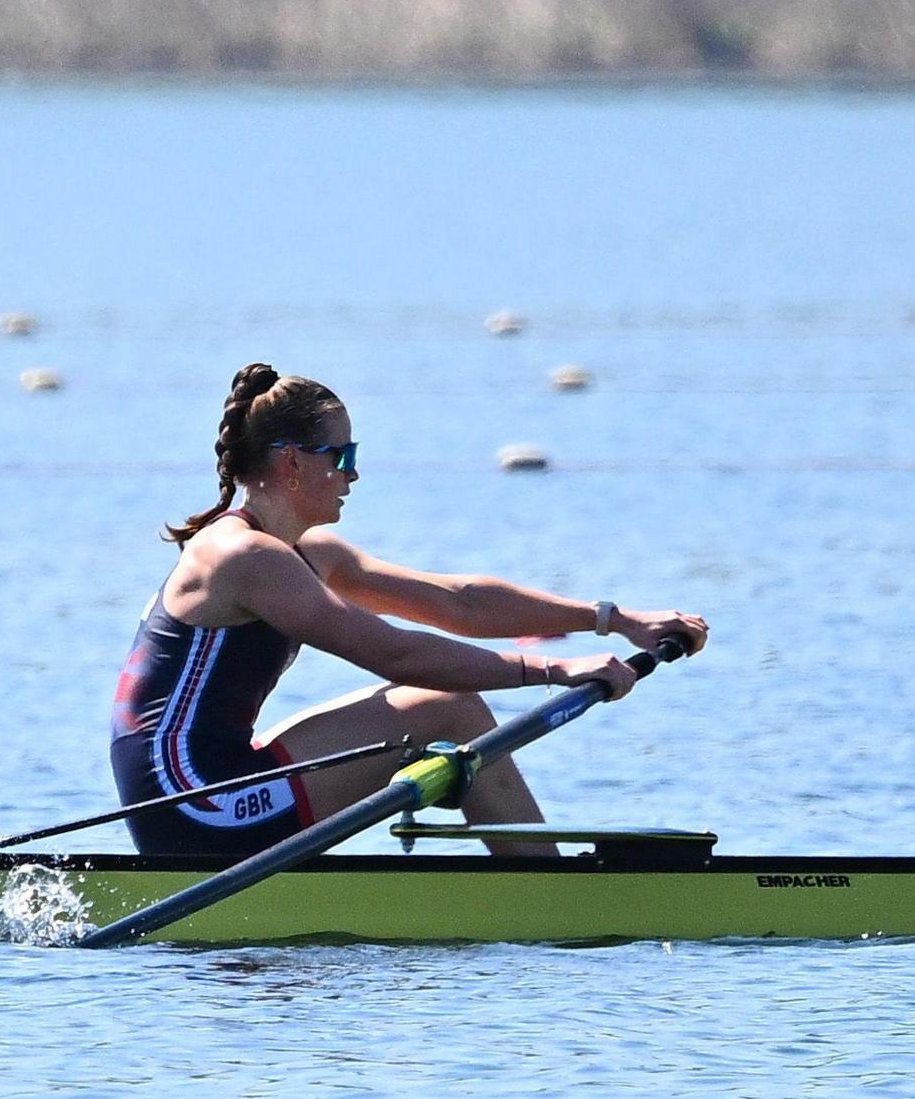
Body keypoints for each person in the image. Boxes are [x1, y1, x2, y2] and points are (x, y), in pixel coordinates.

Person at [112, 363, 708, 859]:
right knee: (447, 708)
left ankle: (537, 877)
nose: (354, 473)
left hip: (218, 777)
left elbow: (457, 602)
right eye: (341, 456)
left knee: (446, 707)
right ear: (292, 463)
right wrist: (558, 672)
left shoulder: (303, 552)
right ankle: (549, 895)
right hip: (193, 807)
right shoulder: (242, 556)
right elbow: (394, 653)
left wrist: (618, 618)